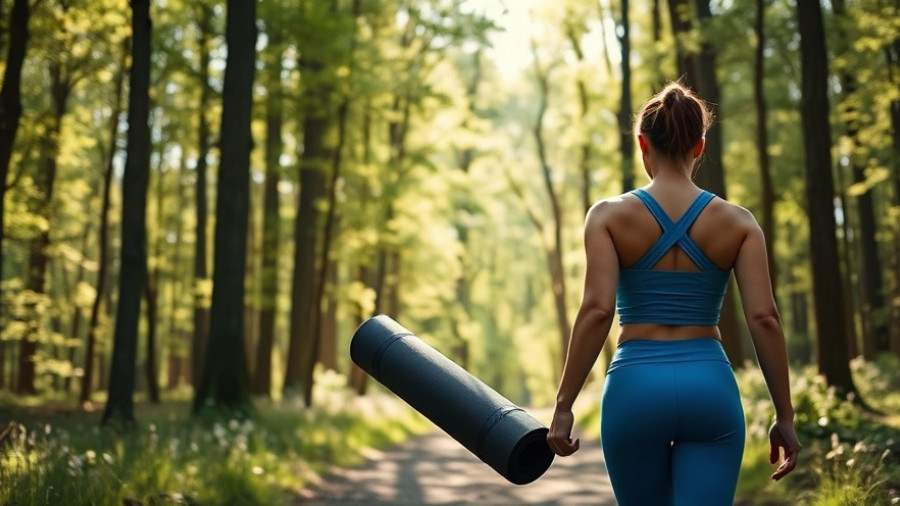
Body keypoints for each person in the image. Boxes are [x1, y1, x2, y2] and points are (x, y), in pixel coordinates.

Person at [546, 81, 801, 506]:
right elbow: (765, 319)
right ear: (699, 147)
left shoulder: (608, 217)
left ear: (642, 143)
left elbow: (596, 310)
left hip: (634, 388)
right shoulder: (738, 223)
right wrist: (784, 415)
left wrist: (564, 404)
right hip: (710, 389)